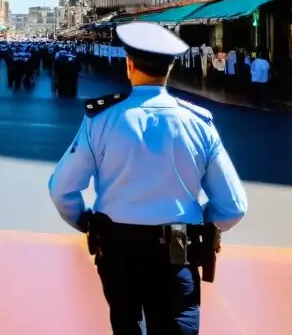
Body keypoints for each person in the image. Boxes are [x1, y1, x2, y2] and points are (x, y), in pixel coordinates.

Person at [48, 22, 248, 334]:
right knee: (178, 322)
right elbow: (233, 205)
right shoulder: (199, 122)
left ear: (129, 64)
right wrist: (200, 225)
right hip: (179, 240)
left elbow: (62, 190)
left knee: (126, 322)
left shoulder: (100, 120)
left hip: (117, 243)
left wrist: (87, 222)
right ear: (169, 68)